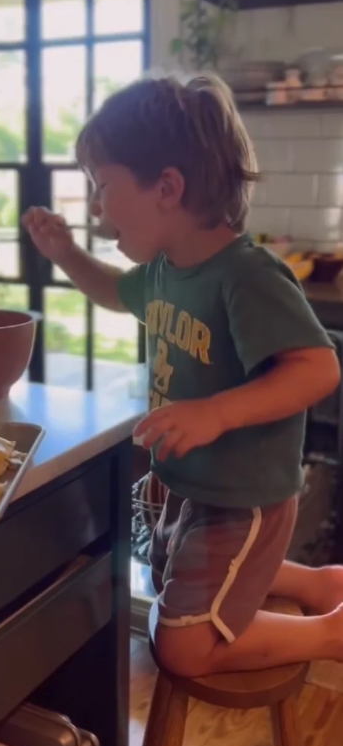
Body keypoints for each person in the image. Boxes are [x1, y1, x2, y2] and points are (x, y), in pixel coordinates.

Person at [23, 73, 343, 678]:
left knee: (181, 648)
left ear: (167, 187)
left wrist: (217, 411)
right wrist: (64, 255)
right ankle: (320, 583)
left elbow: (318, 368)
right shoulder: (168, 268)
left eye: (103, 186)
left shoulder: (246, 275)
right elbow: (114, 294)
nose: (94, 206)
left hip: (242, 498)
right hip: (191, 484)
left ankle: (330, 632)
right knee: (184, 571)